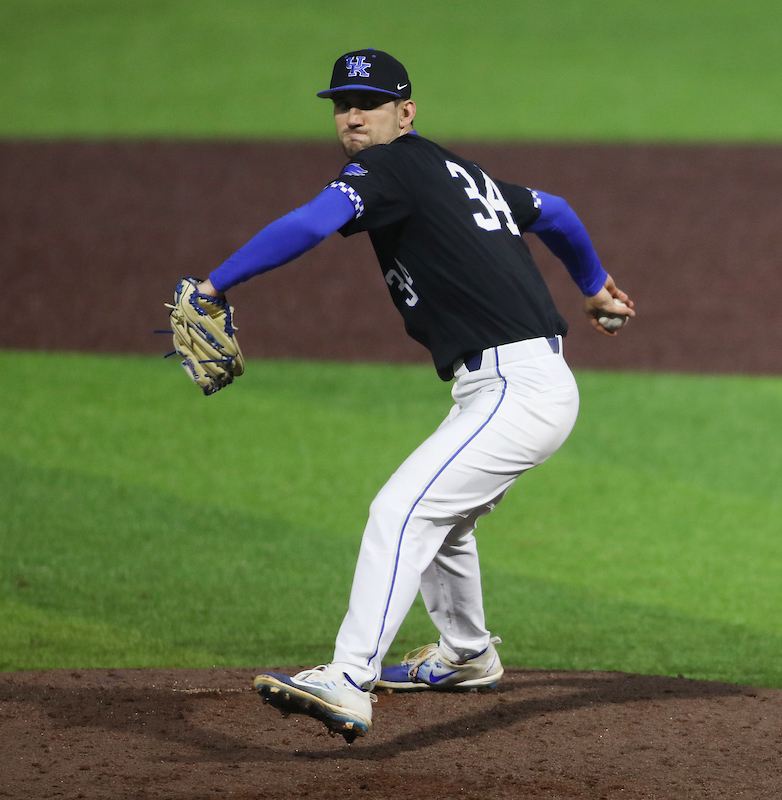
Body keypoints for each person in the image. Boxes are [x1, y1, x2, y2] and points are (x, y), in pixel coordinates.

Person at [197, 48, 634, 742]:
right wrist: (593, 285)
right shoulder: (457, 171)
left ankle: (349, 677)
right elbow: (556, 211)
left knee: (400, 511)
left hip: (517, 389)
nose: (352, 117)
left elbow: (311, 222)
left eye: (368, 105)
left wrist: (214, 284)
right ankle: (467, 654)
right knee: (445, 520)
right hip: (510, 386)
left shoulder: (388, 167)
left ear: (405, 113)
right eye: (342, 105)